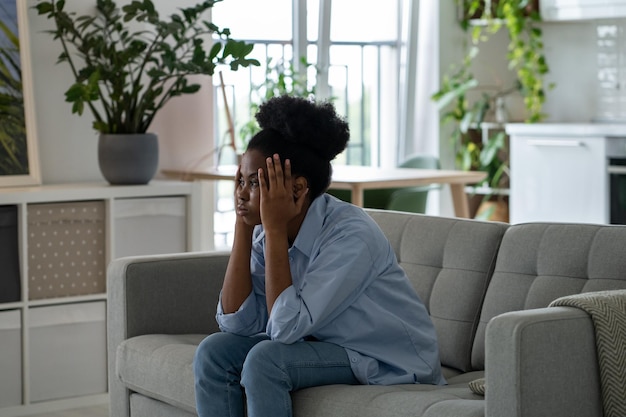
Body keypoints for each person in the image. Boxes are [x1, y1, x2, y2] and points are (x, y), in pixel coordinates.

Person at [193, 95, 445, 417]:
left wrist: (272, 229)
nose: (241, 193)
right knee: (213, 352)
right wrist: (244, 225)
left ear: (297, 189)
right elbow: (236, 323)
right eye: (240, 180)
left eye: (254, 183)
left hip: (383, 358)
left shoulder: (351, 236)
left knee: (265, 360)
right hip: (324, 344)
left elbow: (284, 330)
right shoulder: (265, 231)